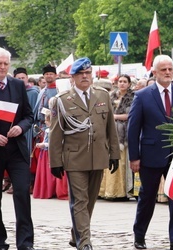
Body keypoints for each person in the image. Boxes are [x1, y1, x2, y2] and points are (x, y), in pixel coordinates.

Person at [49, 57, 120, 250]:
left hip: (98, 156)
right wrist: (55, 161)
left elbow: (110, 127)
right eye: (80, 74)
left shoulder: (103, 95)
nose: (85, 77)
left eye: (88, 73)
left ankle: (77, 233)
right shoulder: (62, 100)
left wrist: (115, 153)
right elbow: (56, 133)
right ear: (72, 77)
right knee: (80, 200)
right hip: (75, 158)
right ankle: (85, 242)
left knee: (90, 199)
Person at [128, 55, 173, 250]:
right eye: (163, 69)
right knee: (147, 197)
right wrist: (134, 157)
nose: (168, 72)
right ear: (154, 72)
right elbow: (133, 128)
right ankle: (139, 235)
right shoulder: (143, 95)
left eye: (170, 69)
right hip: (150, 155)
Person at [0, 47, 35, 250]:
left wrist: (21, 127)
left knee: (21, 193)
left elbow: (29, 116)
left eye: (5, 64)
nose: (2, 67)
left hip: (16, 151)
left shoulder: (18, 85)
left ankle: (26, 242)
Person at [99, 74, 135, 200]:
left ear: (129, 84)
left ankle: (120, 192)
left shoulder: (132, 97)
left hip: (123, 132)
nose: (122, 84)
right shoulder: (111, 95)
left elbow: (129, 115)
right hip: (109, 131)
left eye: (125, 81)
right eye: (120, 81)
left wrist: (114, 117)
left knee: (121, 162)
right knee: (107, 161)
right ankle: (105, 191)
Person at [32, 108, 56, 199]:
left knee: (48, 173)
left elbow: (54, 143)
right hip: (44, 153)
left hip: (48, 154)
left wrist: (43, 144)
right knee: (43, 173)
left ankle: (49, 191)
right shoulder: (47, 130)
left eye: (46, 120)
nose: (45, 122)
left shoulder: (52, 131)